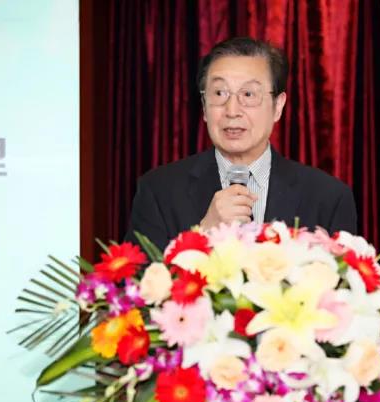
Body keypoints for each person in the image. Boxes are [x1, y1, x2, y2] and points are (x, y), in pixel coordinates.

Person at [125, 37, 357, 251]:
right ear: (204, 106)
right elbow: (138, 280)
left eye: (248, 94)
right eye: (219, 93)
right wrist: (203, 234)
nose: (232, 110)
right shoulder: (158, 192)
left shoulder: (328, 198)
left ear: (278, 106)